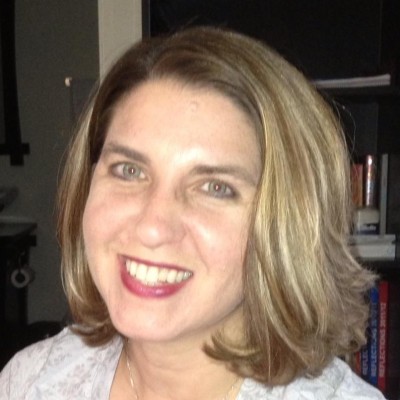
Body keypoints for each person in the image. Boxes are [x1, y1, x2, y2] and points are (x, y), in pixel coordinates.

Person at [0, 26, 386, 399]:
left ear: (286, 225)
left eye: (215, 187)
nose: (152, 228)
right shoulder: (30, 381)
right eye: (129, 170)